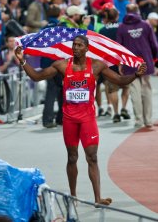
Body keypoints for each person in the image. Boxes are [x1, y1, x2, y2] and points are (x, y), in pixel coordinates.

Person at [15, 35, 146, 205]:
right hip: (69, 119)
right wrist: (23, 61)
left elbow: (120, 81)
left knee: (92, 157)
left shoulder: (97, 66)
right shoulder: (62, 65)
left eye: (79, 45)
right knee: (72, 157)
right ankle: (73, 195)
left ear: (86, 48)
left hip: (87, 119)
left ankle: (98, 198)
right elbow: (37, 77)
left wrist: (135, 74)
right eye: (74, 45)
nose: (75, 48)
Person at [117, 3, 158, 127]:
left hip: (130, 64)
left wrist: (120, 63)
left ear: (126, 11)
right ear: (137, 11)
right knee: (147, 90)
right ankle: (148, 120)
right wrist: (154, 61)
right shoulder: (146, 25)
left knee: (135, 91)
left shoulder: (122, 27)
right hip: (146, 62)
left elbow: (119, 48)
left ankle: (139, 120)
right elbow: (154, 45)